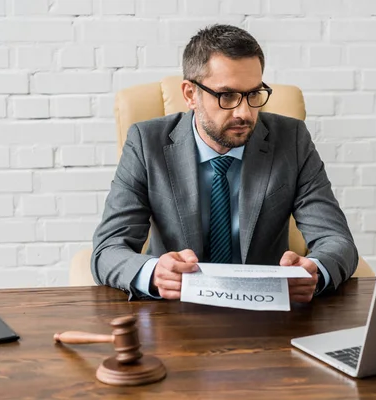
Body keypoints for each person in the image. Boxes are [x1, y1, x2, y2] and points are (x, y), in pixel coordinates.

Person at [91, 24, 358, 302]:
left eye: (254, 94)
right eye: (227, 95)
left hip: (266, 308)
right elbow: (107, 249)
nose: (245, 112)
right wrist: (155, 273)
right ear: (190, 94)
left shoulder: (291, 140)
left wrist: (316, 271)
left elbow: (337, 241)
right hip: (174, 311)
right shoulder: (147, 143)